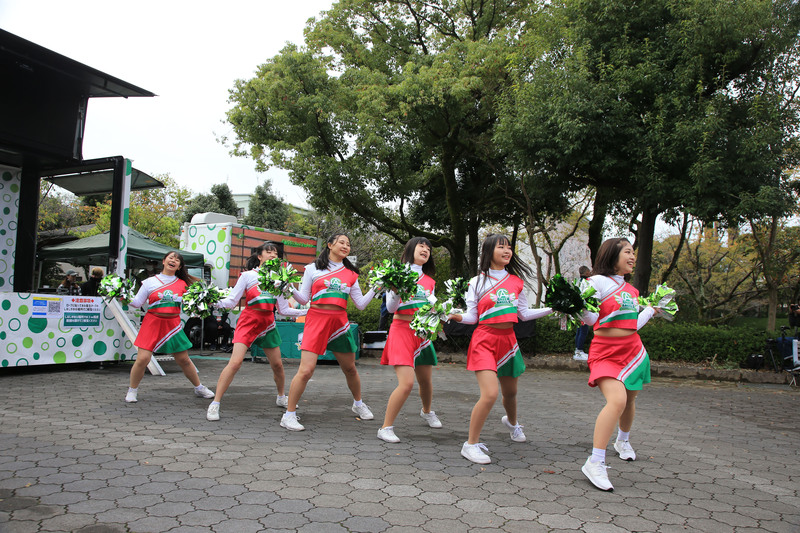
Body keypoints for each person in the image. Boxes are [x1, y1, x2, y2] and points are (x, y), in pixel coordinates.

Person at [449, 234, 553, 464]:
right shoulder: (477, 282)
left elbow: (523, 314)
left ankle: (512, 423)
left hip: (508, 341)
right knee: (490, 394)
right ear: (489, 251)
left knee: (510, 392)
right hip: (484, 340)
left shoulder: (516, 282)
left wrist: (552, 309)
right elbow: (472, 316)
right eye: (501, 247)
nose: (507, 251)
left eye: (509, 247)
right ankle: (470, 444)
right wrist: (456, 316)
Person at [578, 238, 657, 491]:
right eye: (627, 252)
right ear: (612, 255)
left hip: (633, 352)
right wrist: (577, 307)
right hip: (606, 352)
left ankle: (622, 441)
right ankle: (595, 461)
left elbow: (632, 324)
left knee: (629, 399)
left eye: (633, 252)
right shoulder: (596, 282)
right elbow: (591, 319)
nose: (632, 256)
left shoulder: (632, 290)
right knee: (617, 400)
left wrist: (651, 310)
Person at [280, 233, 376, 431]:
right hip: (316, 320)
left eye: (348, 244)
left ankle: (358, 404)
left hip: (340, 323)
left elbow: (360, 304)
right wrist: (288, 286)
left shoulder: (351, 273)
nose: (346, 246)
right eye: (342, 242)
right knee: (306, 370)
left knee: (350, 369)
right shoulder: (312, 268)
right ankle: (288, 415)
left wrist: (377, 287)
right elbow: (304, 299)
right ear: (330, 245)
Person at [206, 242, 306, 421]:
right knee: (235, 363)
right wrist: (213, 302)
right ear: (259, 256)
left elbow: (283, 309)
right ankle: (215, 403)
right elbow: (231, 301)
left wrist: (306, 312)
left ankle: (281, 396)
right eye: (269, 252)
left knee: (277, 365)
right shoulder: (247, 276)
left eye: (276, 253)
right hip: (248, 322)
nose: (273, 255)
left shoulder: (280, 279)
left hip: (268, 324)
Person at [125, 251, 215, 403]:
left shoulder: (183, 284)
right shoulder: (150, 282)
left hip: (172, 324)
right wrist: (122, 294)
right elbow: (137, 303)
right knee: (143, 359)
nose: (173, 260)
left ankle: (199, 387)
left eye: (177, 260)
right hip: (152, 322)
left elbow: (193, 303)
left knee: (183, 359)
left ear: (179, 266)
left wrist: (206, 301)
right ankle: (132, 390)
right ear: (164, 261)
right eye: (171, 258)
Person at [377, 237, 443, 444]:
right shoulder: (397, 273)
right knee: (406, 384)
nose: (425, 250)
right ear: (410, 249)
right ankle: (385, 428)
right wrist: (396, 291)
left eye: (428, 248)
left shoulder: (430, 281)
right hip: (401, 330)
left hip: (422, 333)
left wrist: (441, 313)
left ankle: (427, 411)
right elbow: (390, 309)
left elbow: (432, 307)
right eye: (421, 246)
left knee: (426, 381)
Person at [573, 265, 592, 361]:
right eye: (589, 271)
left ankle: (577, 350)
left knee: (579, 330)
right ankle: (579, 351)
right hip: (583, 310)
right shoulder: (586, 282)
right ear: (586, 272)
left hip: (577, 310)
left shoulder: (578, 282)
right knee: (583, 330)